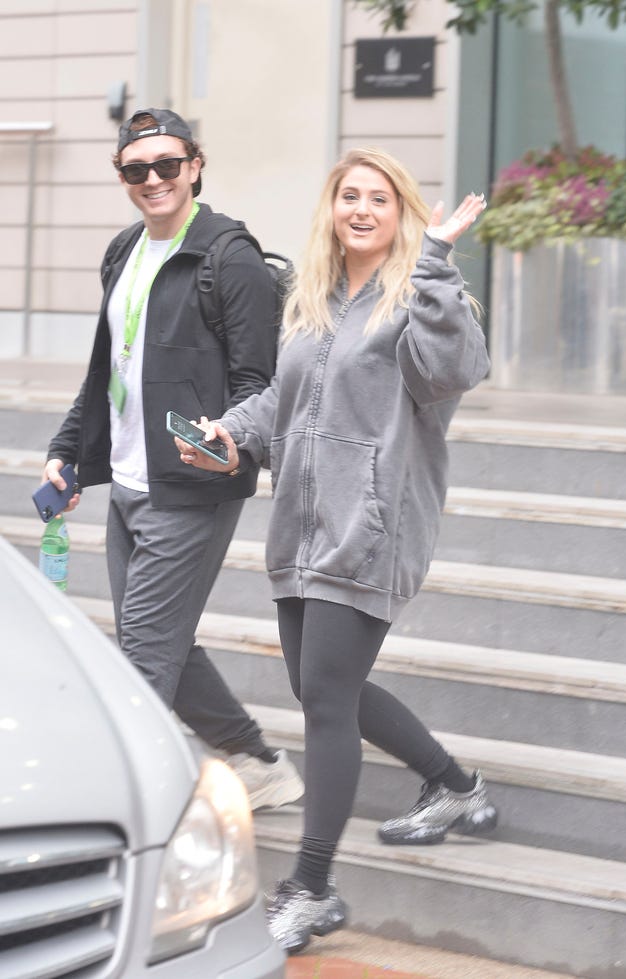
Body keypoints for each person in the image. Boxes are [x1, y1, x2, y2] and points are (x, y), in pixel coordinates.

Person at [174, 147, 497, 954]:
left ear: (402, 212)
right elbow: (283, 399)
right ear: (331, 208)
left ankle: (312, 887)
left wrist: (436, 262)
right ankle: (455, 785)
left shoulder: (421, 296)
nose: (361, 209)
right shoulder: (313, 298)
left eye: (378, 198)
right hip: (302, 522)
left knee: (324, 696)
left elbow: (455, 368)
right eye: (349, 195)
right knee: (327, 690)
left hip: (371, 527)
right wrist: (230, 434)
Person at [42, 107, 303, 811]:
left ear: (195, 166)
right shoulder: (125, 249)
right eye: (137, 168)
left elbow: (260, 383)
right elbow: (108, 370)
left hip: (193, 483)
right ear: (122, 175)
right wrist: (68, 451)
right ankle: (257, 762)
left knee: (142, 657)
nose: (153, 178)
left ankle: (129, 810)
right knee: (161, 639)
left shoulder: (229, 257)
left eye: (167, 164)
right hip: (130, 478)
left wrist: (230, 444)